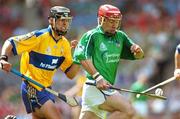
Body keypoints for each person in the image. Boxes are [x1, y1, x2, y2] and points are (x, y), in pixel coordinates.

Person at [0, 6, 80, 119]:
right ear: (51, 20)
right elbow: (11, 41)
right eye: (62, 20)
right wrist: (3, 58)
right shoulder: (39, 37)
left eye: (67, 21)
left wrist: (79, 56)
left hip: (47, 89)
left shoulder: (65, 45)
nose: (65, 24)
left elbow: (70, 74)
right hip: (31, 87)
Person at [73, 4, 144, 119]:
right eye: (111, 21)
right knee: (129, 110)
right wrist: (98, 77)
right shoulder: (92, 35)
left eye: (117, 22)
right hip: (95, 87)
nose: (114, 25)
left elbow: (139, 56)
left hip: (106, 89)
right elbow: (81, 57)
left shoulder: (120, 36)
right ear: (101, 20)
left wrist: (138, 51)